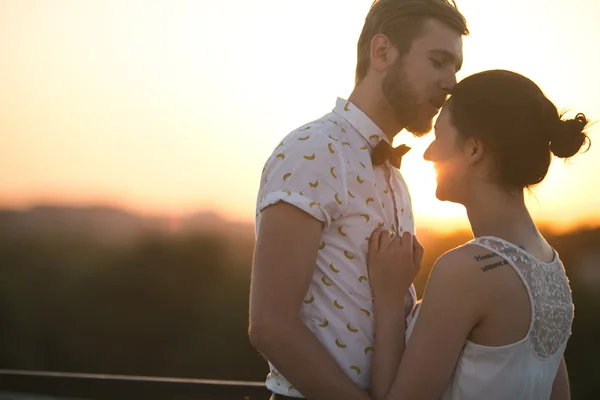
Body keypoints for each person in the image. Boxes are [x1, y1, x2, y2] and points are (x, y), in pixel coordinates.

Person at [248, 0, 468, 398]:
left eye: (456, 68)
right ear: (382, 52)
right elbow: (270, 324)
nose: (451, 82)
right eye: (438, 61)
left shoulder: (397, 179)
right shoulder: (311, 150)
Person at [367, 69, 589, 400]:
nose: (428, 153)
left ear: (473, 150)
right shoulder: (551, 267)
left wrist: (388, 297)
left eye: (439, 135)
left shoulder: (465, 271)